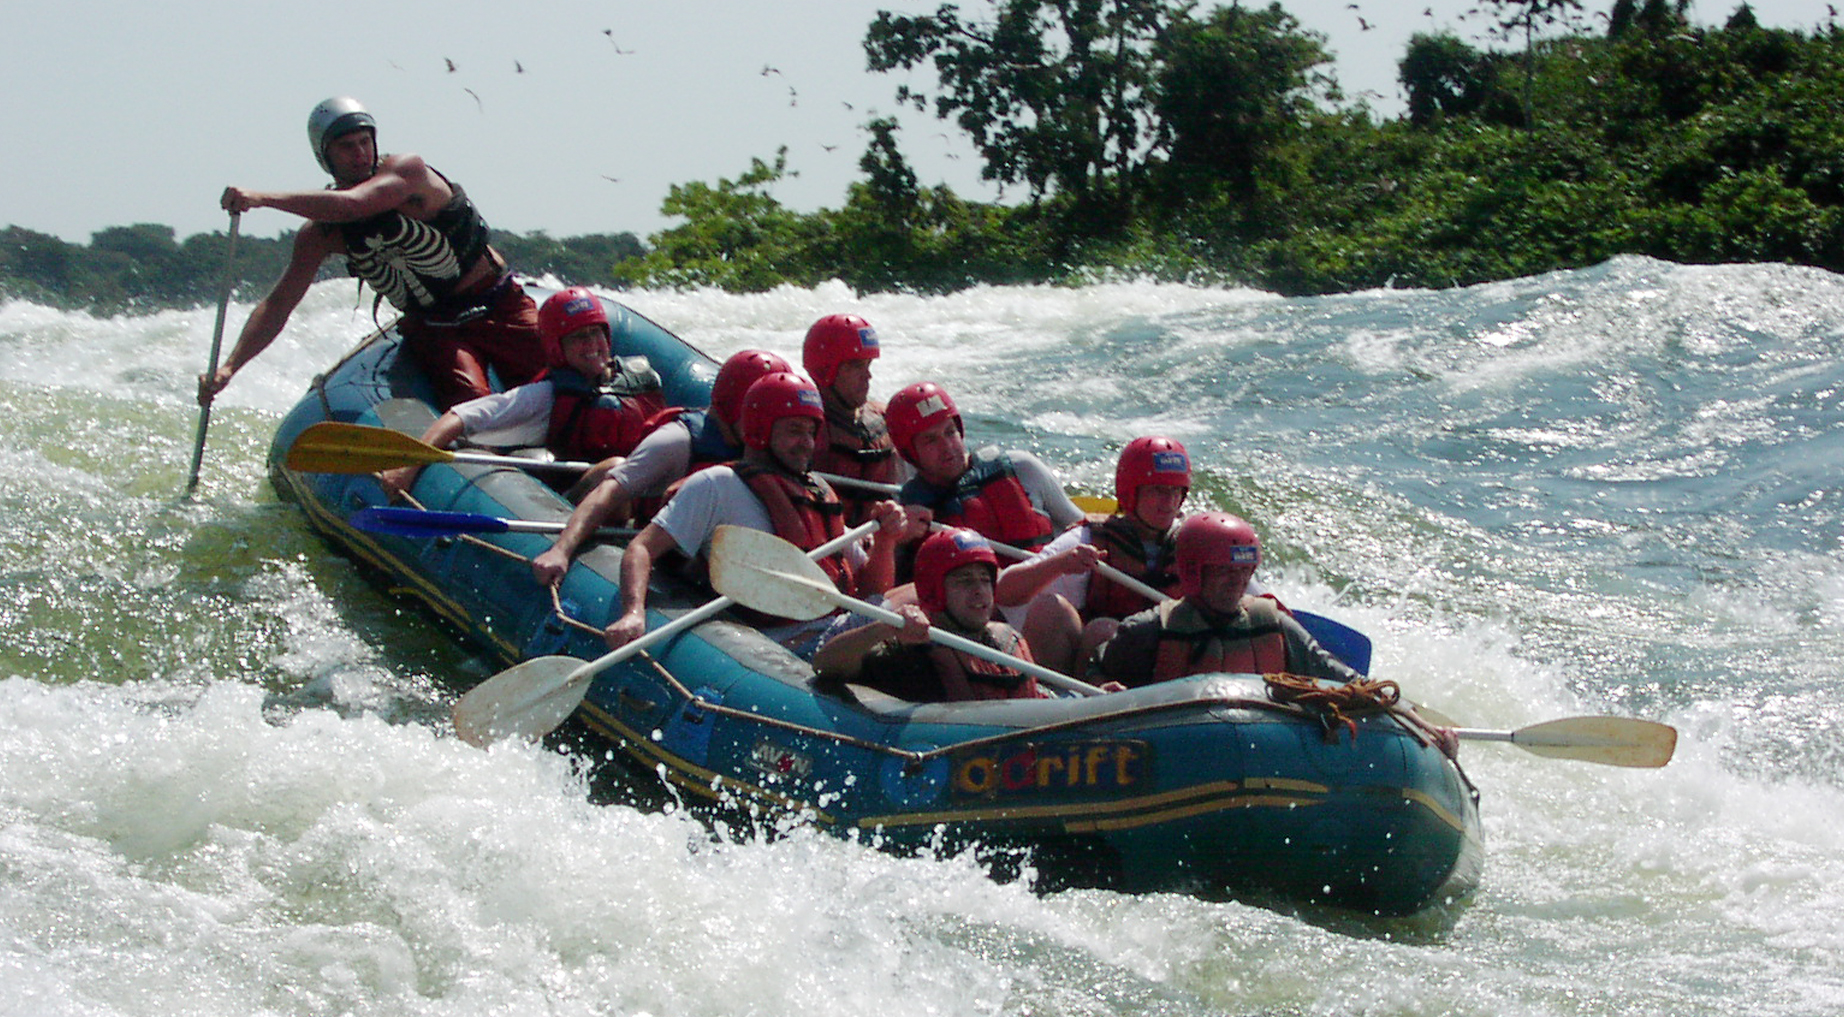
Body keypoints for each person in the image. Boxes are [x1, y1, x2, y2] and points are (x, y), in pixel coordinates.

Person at [201, 97, 551, 411]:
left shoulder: (409, 173)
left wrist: (263, 199)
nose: (359, 154)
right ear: (325, 157)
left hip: (498, 304)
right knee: (472, 407)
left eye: (365, 142)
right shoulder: (321, 234)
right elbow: (278, 304)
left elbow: (356, 204)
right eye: (346, 147)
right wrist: (230, 367)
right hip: (437, 329)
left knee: (562, 384)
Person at [601, 372, 912, 657]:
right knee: (915, 596)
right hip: (780, 647)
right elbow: (642, 548)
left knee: (922, 592)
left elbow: (873, 591)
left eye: (810, 432)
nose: (805, 443)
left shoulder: (818, 492)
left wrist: (886, 541)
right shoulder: (717, 485)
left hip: (834, 630)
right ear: (761, 428)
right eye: (794, 430)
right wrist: (632, 612)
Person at [528, 348, 790, 586]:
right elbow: (608, 493)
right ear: (734, 406)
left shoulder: (769, 448)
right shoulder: (677, 441)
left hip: (708, 553)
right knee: (614, 469)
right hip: (651, 544)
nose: (768, 425)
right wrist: (561, 550)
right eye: (761, 412)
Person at [378, 287, 665, 501]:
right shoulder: (543, 397)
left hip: (642, 495)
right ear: (557, 347)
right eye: (578, 337)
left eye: (596, 333)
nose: (591, 344)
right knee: (614, 469)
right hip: (580, 504)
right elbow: (458, 418)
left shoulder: (638, 379)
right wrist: (410, 465)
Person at [994, 436, 1191, 675]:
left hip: (1172, 662)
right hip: (1098, 675)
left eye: (1175, 491)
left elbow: (1247, 601)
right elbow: (1004, 592)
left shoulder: (1197, 543)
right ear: (1131, 492)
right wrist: (1061, 564)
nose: (1169, 502)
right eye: (1157, 490)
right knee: (1067, 616)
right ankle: (1066, 702)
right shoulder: (1088, 539)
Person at [1094, 512, 1360, 687]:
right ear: (1193, 571)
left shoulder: (1275, 626)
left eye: (1245, 570)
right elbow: (1093, 675)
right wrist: (1100, 687)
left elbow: (1338, 677)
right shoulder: (1148, 630)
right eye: (1224, 570)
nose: (1238, 581)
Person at [813, 528, 1046, 701]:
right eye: (965, 581)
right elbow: (825, 665)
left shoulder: (1007, 641)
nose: (980, 591)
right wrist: (884, 628)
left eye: (985, 581)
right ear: (933, 591)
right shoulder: (909, 651)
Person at [885, 381, 1085, 553]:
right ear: (909, 453)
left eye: (950, 432)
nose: (947, 447)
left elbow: (1082, 529)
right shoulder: (903, 515)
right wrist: (893, 540)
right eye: (931, 440)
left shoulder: (1022, 468)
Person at [802, 314, 903, 524]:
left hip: (885, 535)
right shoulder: (805, 430)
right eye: (856, 366)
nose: (868, 376)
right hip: (834, 540)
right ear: (825, 370)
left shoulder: (883, 419)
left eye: (868, 365)